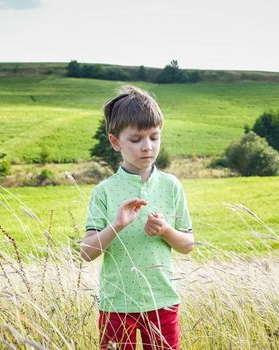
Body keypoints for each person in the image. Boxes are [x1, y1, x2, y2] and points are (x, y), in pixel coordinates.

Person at [80, 85, 194, 350]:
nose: (147, 147)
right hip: (117, 304)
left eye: (154, 137)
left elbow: (187, 245)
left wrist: (166, 230)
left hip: (162, 300)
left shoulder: (171, 186)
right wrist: (117, 225)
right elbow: (86, 252)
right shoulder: (104, 192)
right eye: (136, 139)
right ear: (115, 142)